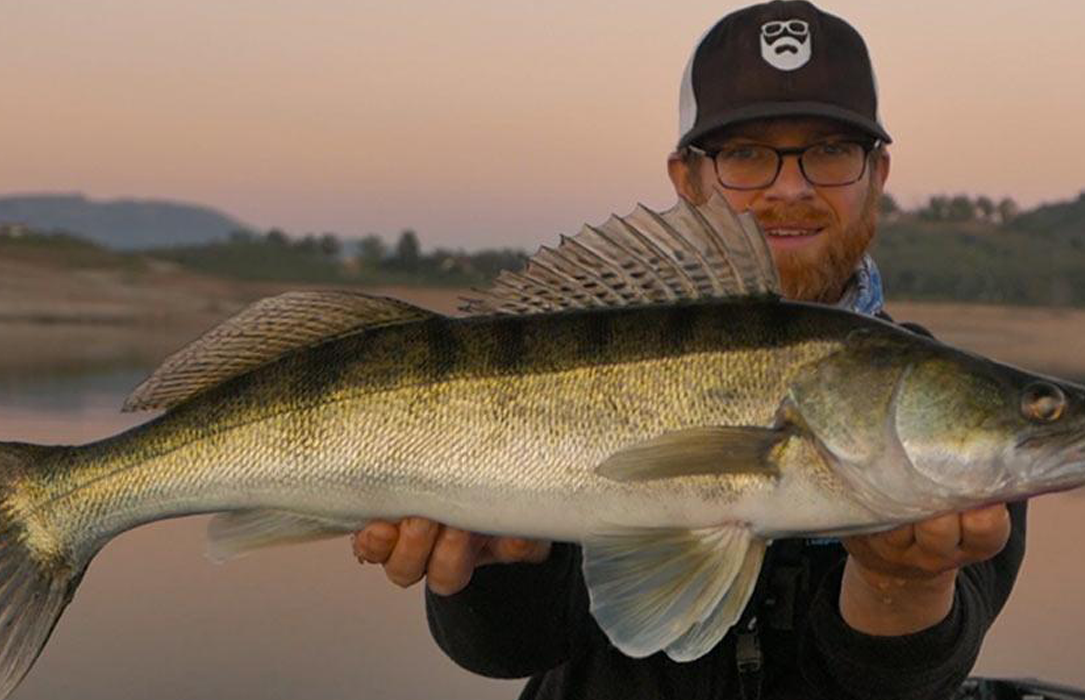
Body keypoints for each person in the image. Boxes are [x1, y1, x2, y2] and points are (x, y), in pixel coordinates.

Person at [353, 3, 1024, 698]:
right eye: (744, 155)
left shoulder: (944, 406)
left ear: (877, 174)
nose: (789, 187)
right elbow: (513, 649)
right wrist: (498, 569)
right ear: (687, 178)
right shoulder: (591, 331)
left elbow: (900, 686)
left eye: (830, 150)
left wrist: (899, 583)